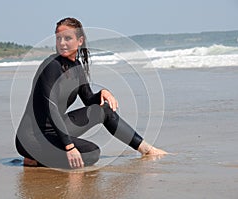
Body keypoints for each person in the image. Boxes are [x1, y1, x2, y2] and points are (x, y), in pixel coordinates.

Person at [15, 17, 167, 169]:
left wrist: (103, 92)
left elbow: (88, 99)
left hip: (54, 130)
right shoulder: (51, 66)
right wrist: (69, 147)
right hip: (32, 138)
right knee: (91, 153)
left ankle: (147, 149)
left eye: (67, 38)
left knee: (104, 110)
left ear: (80, 41)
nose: (62, 43)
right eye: (58, 38)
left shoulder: (76, 66)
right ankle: (34, 159)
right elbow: (51, 107)